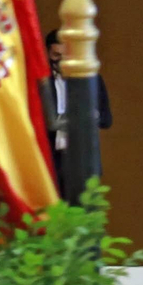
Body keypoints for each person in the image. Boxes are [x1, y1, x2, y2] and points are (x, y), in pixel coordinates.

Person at [45, 27, 113, 201]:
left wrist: (87, 117)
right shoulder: (43, 84)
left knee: (84, 211)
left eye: (65, 56)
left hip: (82, 158)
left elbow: (106, 119)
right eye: (55, 56)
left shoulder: (92, 80)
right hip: (53, 158)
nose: (60, 62)